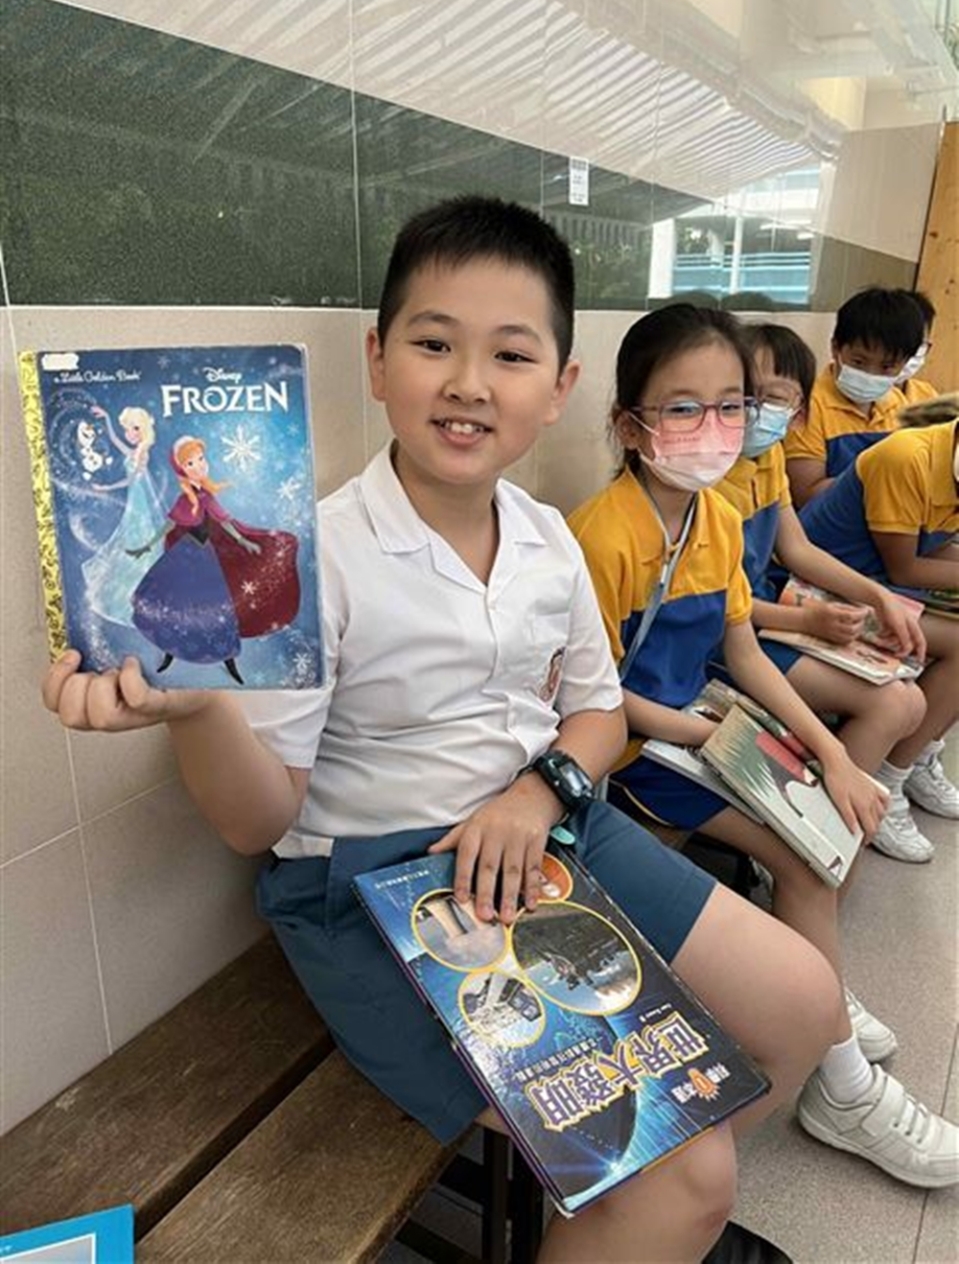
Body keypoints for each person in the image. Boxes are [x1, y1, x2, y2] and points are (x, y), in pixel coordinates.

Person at [42, 195, 845, 1262]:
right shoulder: (315, 554)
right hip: (373, 885)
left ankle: (638, 1225)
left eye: (509, 354)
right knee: (684, 1169)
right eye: (433, 344)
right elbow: (256, 822)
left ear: (558, 388)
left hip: (547, 830)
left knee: (804, 1003)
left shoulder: (547, 539)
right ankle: (656, 1213)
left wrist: (538, 792)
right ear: (378, 362)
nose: (468, 381)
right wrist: (197, 708)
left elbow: (597, 712)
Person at [568, 302, 959, 1188]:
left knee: (838, 815)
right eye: (682, 407)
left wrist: (830, 754)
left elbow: (740, 650)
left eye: (730, 405)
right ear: (628, 424)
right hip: (639, 751)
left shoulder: (710, 516)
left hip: (703, 721)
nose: (713, 427)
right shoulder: (602, 534)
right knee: (806, 858)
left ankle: (818, 1001)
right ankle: (842, 1085)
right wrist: (700, 731)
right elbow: (593, 696)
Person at [714, 323, 933, 862]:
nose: (760, 411)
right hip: (730, 642)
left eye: (777, 400)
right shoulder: (709, 478)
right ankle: (815, 833)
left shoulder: (766, 459)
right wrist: (807, 622)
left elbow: (797, 548)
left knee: (910, 696)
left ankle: (850, 810)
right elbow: (715, 607)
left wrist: (876, 598)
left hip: (770, 616)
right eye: (748, 395)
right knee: (894, 704)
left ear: (798, 411)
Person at [799, 405, 959, 829]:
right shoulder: (908, 457)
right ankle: (890, 778)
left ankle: (917, 757)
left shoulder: (949, 462)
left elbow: (933, 544)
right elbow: (905, 569)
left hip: (876, 586)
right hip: (822, 589)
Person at [127, 435, 300, 685]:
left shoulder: (207, 496)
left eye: (200, 459)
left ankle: (228, 660)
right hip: (184, 558)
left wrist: (243, 541)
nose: (198, 465)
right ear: (181, 469)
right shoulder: (185, 500)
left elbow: (224, 521)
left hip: (206, 559)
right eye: (190, 463)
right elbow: (170, 525)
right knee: (176, 607)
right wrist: (147, 546)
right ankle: (170, 653)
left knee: (217, 610)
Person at [784, 287, 922, 509]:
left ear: (905, 364)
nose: (871, 373)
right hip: (825, 523)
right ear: (835, 348)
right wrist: (873, 474)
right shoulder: (808, 405)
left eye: (887, 367)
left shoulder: (898, 404)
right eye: (859, 361)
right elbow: (806, 495)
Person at [82, 405, 165, 626]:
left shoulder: (142, 453)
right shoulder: (135, 451)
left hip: (139, 502)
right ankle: (135, 591)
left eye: (135, 428)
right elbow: (116, 441)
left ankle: (143, 593)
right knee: (130, 540)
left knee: (138, 539)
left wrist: (107, 487)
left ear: (144, 429)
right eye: (128, 429)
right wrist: (108, 417)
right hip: (134, 500)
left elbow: (131, 480)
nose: (130, 433)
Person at [895, 290, 938, 407]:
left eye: (917, 343)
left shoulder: (927, 395)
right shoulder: (862, 394)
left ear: (927, 349)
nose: (907, 350)